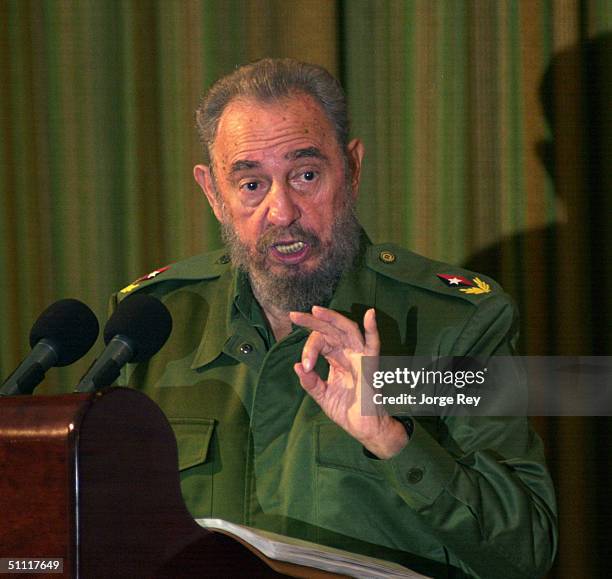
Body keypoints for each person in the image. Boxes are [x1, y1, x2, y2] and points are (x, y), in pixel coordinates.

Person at [114, 58, 557, 578]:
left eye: (305, 175)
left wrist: (392, 440)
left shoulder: (453, 323)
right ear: (213, 193)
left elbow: (525, 556)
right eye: (252, 185)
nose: (282, 212)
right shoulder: (156, 323)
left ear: (352, 169)